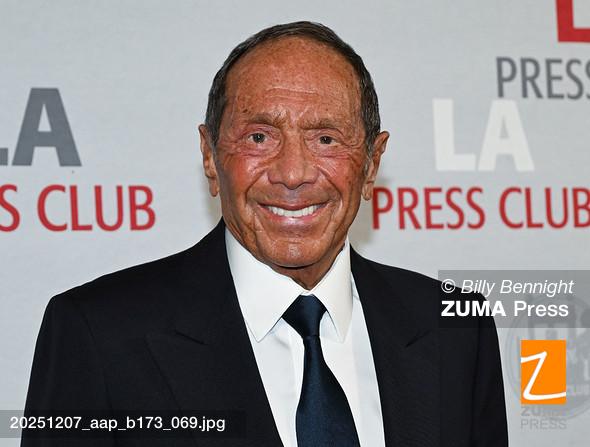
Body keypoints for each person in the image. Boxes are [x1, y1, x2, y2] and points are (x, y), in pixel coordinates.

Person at [22, 21, 508, 447]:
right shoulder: (99, 334)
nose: (293, 173)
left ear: (371, 164)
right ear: (210, 156)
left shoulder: (455, 329)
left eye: (326, 139)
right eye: (259, 137)